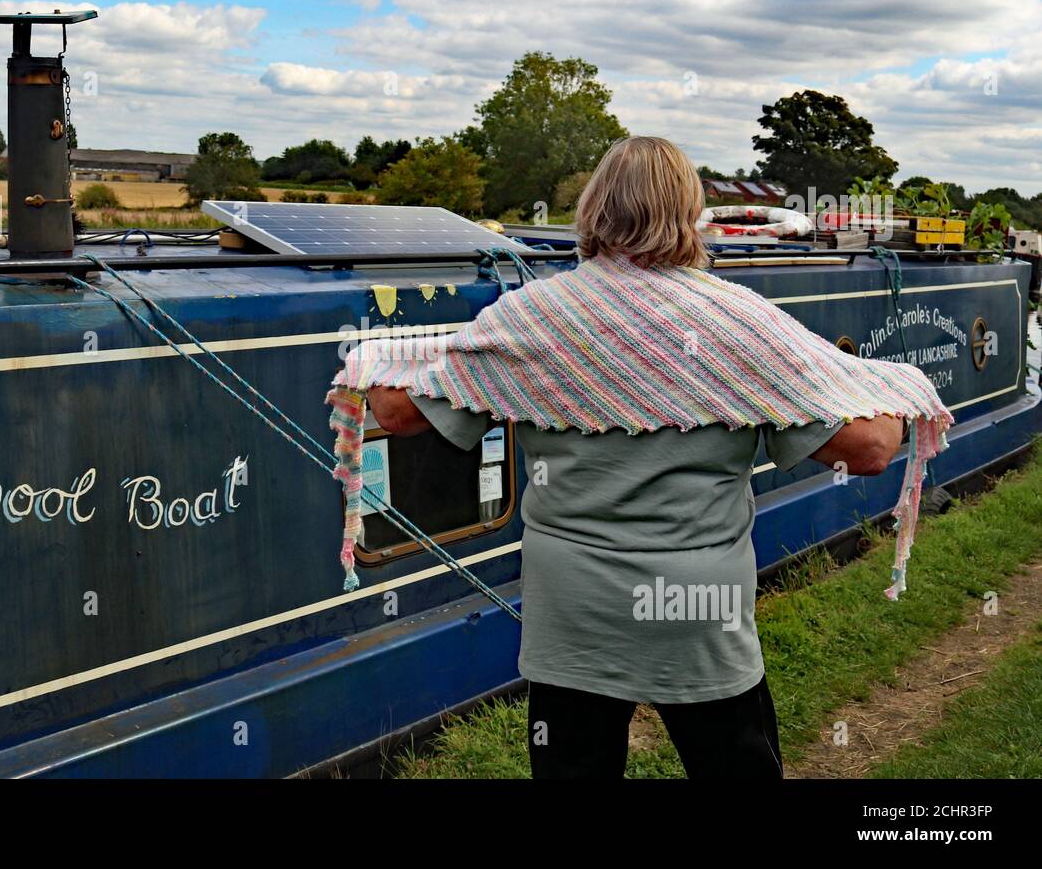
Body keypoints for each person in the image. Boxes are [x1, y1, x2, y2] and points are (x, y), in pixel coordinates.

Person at [364, 137, 906, 779]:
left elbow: (394, 412)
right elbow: (871, 450)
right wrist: (878, 386)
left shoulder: (530, 318)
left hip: (573, 617)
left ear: (593, 209)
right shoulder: (743, 323)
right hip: (700, 613)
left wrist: (404, 356)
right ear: (690, 213)